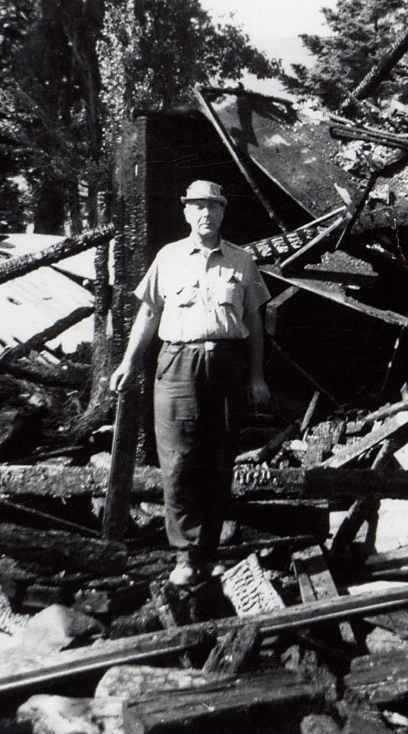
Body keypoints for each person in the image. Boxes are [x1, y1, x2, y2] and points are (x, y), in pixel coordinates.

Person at [109, 180, 271, 585]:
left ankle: (209, 552)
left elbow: (254, 322)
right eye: (197, 206)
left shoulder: (242, 261)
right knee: (179, 460)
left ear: (223, 211)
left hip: (227, 364)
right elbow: (147, 315)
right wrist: (129, 361)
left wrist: (256, 376)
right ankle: (184, 556)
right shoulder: (168, 257)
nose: (205, 214)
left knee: (219, 459)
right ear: (186, 212)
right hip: (178, 364)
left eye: (213, 206)